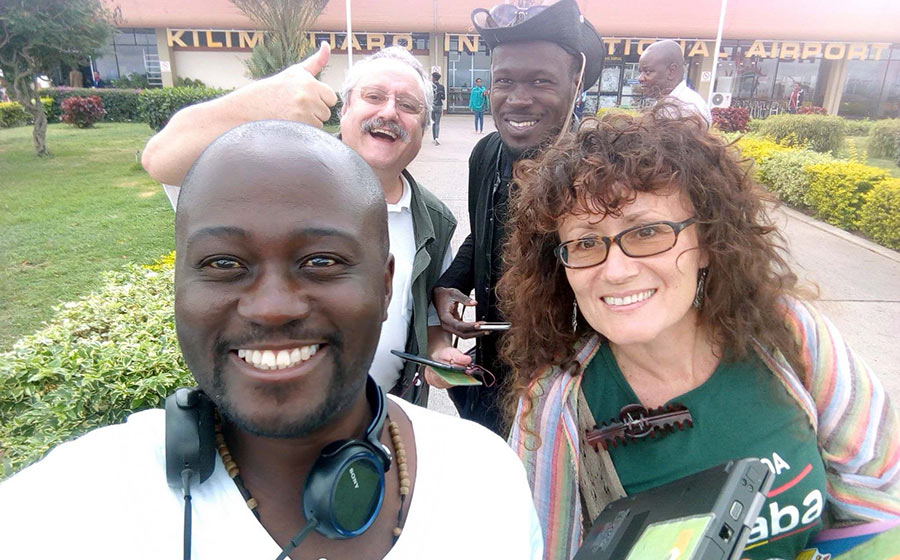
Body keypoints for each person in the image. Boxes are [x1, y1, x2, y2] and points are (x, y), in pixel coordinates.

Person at [0, 121, 543, 559]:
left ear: (385, 287)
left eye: (322, 261)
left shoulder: (486, 482)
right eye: (223, 264)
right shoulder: (59, 512)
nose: (272, 306)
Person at [497, 108, 900, 560]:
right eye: (587, 243)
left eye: (647, 232)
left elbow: (880, 491)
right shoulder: (557, 406)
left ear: (706, 243)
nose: (616, 271)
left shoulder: (787, 335)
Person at [142, 45, 456, 407]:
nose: (389, 112)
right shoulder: (269, 178)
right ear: (345, 108)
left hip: (381, 427)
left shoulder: (434, 218)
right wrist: (253, 108)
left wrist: (439, 350)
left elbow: (430, 311)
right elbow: (159, 159)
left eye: (408, 105)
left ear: (423, 126)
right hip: (260, 424)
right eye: (373, 97)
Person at [430, 0, 604, 435]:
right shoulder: (485, 154)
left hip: (569, 381)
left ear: (575, 82)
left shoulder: (600, 173)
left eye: (540, 81)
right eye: (503, 80)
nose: (517, 99)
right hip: (488, 371)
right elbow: (483, 233)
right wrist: (451, 282)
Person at [637, 39, 712, 126]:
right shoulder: (667, 103)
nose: (640, 78)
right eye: (640, 72)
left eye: (647, 71)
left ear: (671, 71)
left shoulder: (687, 109)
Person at [431, 71, 445, 145]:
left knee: (433, 122)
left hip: (432, 106)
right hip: (439, 106)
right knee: (437, 123)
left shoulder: (430, 86)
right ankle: (436, 137)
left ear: (433, 78)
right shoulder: (441, 87)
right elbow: (444, 98)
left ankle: (434, 138)